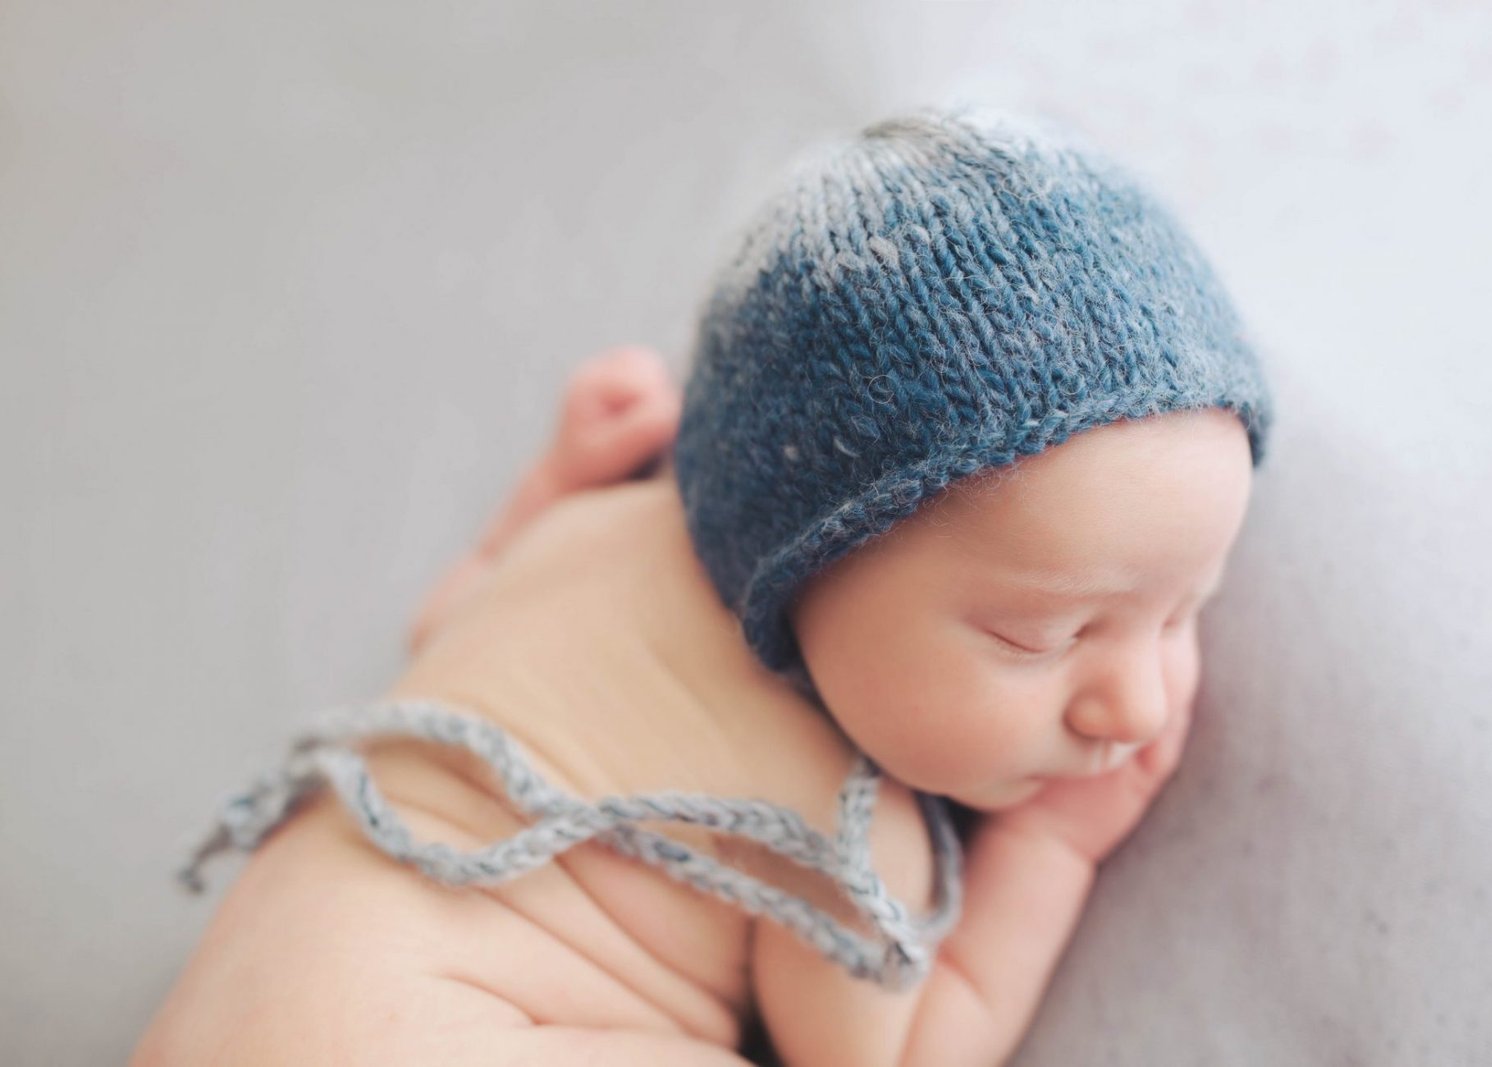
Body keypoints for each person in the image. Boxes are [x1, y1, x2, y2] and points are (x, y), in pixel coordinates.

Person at [134, 103, 1273, 1066]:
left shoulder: (582, 533)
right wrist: (1050, 850)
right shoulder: (838, 826)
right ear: (811, 553)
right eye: (1041, 634)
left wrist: (554, 480)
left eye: (1184, 608)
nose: (1137, 702)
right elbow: (903, 1047)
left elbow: (446, 617)